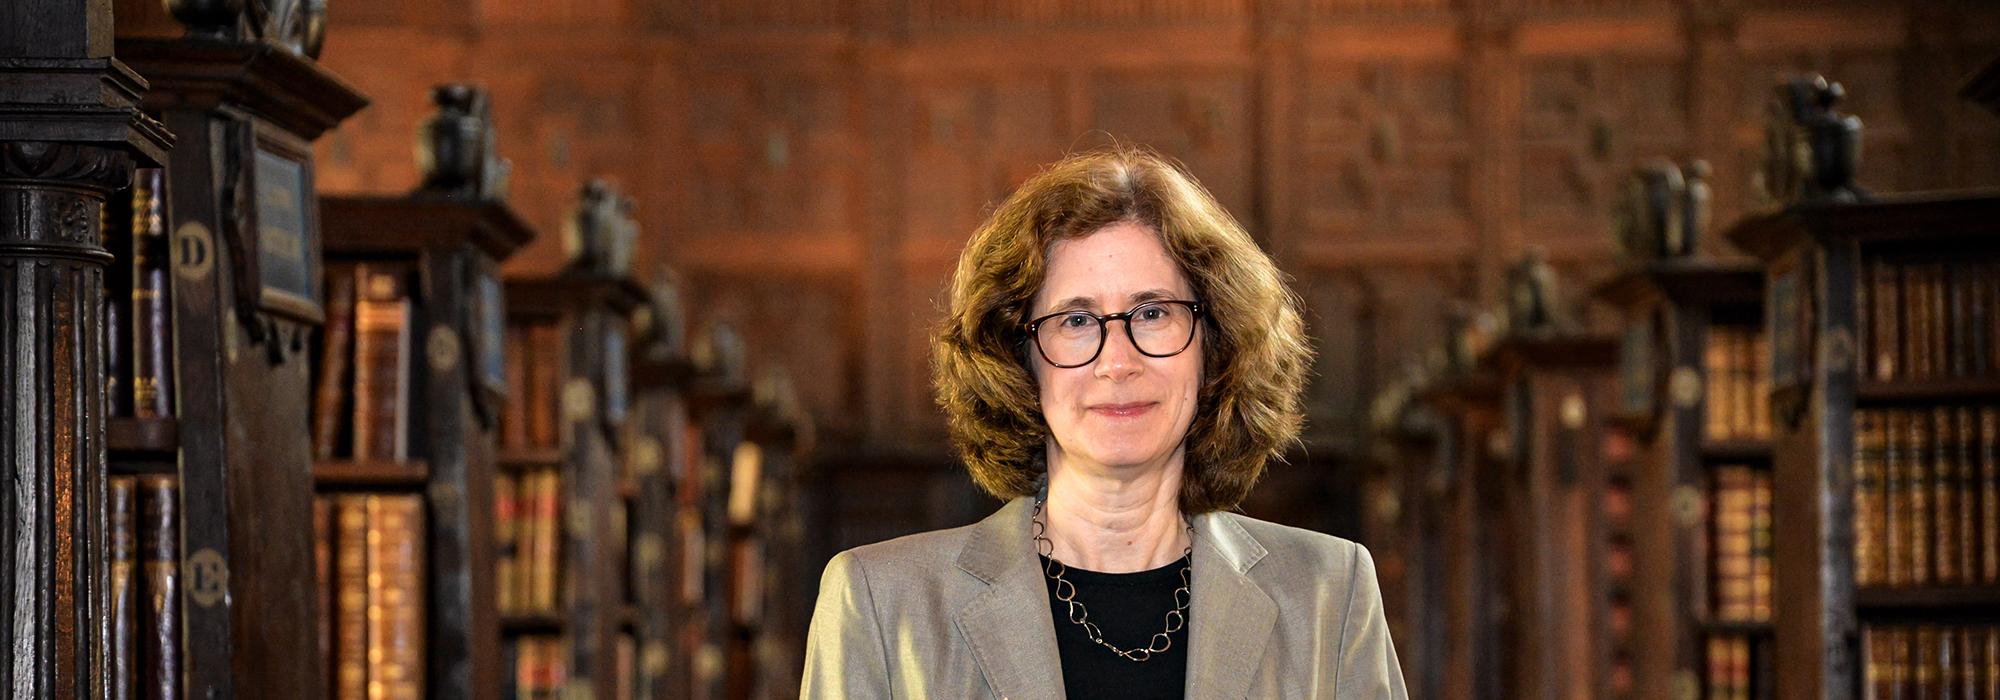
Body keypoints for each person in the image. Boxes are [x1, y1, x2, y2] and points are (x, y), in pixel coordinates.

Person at [802, 147, 1407, 699]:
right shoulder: (883, 605)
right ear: (1020, 357)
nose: (1118, 361)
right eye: (1074, 321)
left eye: (1152, 313)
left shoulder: (1331, 593)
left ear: (1214, 345)